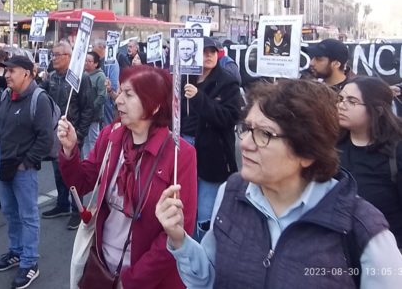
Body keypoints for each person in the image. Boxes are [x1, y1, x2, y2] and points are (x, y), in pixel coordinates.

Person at [157, 79, 402, 288]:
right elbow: (211, 277)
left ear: (308, 152)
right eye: (247, 128)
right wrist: (179, 239)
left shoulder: (362, 230)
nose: (245, 144)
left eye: (265, 134)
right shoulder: (232, 193)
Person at [58, 65, 197, 288]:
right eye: (120, 92)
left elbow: (178, 232)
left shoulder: (180, 154)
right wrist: (69, 150)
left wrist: (132, 280)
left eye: (128, 94)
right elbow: (81, 183)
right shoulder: (110, 137)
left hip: (148, 279)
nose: (118, 101)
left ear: (154, 105)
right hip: (102, 266)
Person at [0, 55, 53, 288]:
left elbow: (45, 138)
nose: (6, 75)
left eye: (11, 71)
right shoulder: (6, 95)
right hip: (3, 166)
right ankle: (16, 251)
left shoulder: (39, 99)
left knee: (28, 216)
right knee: (9, 212)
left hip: (23, 170)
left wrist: (26, 163)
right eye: (6, 71)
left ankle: (30, 261)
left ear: (26, 73)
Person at [181, 37, 241, 239]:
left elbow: (229, 118)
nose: (208, 56)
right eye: (204, 51)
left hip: (212, 156)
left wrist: (199, 98)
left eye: (212, 52)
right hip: (184, 148)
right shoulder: (184, 78)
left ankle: (204, 251)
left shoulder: (227, 81)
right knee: (186, 206)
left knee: (206, 212)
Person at [337, 76, 402, 248]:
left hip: (388, 250)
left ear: (377, 109)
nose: (341, 105)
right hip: (340, 249)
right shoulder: (333, 145)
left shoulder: (396, 150)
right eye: (340, 98)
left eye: (352, 101)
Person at [40, 41, 94, 230]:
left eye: (57, 55)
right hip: (57, 132)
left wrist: (80, 134)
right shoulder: (52, 77)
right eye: (52, 55)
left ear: (69, 57)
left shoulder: (81, 78)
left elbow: (88, 108)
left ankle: (77, 210)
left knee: (73, 174)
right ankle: (61, 204)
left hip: (73, 134)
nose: (53, 58)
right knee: (58, 171)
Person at [83, 51, 107, 157]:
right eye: (85, 60)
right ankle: (86, 161)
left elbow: (102, 96)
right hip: (83, 114)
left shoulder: (100, 76)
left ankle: (94, 160)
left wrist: (91, 108)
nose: (86, 63)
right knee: (84, 140)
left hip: (93, 115)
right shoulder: (83, 75)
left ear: (96, 63)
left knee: (93, 140)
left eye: (89, 61)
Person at [92, 39, 119, 126]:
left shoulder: (112, 63)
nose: (92, 49)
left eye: (93, 47)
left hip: (107, 103)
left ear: (101, 47)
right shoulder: (96, 62)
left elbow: (114, 85)